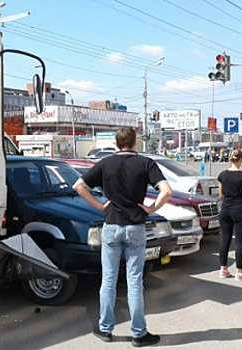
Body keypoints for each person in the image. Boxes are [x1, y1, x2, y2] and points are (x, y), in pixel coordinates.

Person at [73, 127, 172, 347]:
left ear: (116, 144)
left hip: (111, 225)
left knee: (108, 279)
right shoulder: (146, 163)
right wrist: (151, 209)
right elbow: (167, 191)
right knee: (134, 281)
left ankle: (106, 329)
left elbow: (78, 186)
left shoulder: (105, 164)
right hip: (136, 226)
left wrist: (100, 206)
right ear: (134, 143)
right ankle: (139, 333)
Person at [216, 149, 242, 281]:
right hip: (240, 210)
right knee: (239, 242)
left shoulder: (222, 175)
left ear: (229, 160)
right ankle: (239, 272)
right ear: (241, 160)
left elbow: (221, 194)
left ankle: (223, 269)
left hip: (225, 209)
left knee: (225, 240)